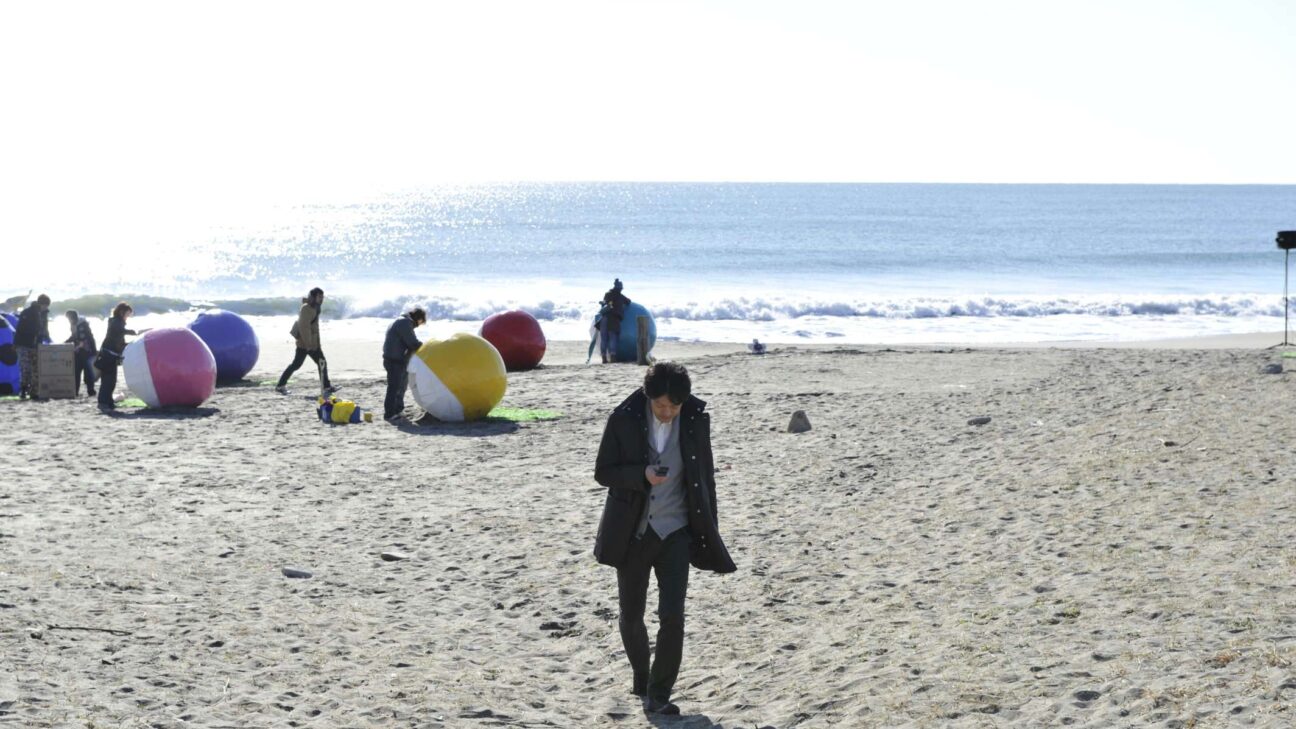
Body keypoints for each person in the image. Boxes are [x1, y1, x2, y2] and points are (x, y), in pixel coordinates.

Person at [593, 362, 736, 715]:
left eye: (675, 405)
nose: (668, 412)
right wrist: (641, 474)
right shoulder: (622, 419)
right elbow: (603, 472)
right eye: (661, 405)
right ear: (648, 397)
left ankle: (659, 693)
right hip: (633, 533)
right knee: (631, 614)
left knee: (673, 616)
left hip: (677, 533)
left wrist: (709, 528)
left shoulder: (695, 419)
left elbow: (705, 476)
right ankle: (642, 676)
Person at [276, 287, 335, 396]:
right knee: (297, 365)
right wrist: (309, 345)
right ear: (313, 297)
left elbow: (314, 328)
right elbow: (304, 328)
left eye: (322, 297)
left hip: (313, 343)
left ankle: (326, 387)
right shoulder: (306, 308)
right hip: (306, 344)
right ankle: (280, 385)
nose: (321, 299)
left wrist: (317, 343)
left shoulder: (316, 307)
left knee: (320, 362)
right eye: (319, 297)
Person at [381, 307, 426, 421]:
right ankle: (389, 414)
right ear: (418, 318)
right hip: (394, 360)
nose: (419, 325)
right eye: (421, 322)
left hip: (397, 359)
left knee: (401, 386)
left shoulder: (402, 321)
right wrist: (426, 347)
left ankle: (398, 410)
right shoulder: (405, 323)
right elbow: (413, 343)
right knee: (394, 387)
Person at [96, 302, 137, 410]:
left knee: (110, 380)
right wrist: (133, 332)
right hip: (108, 354)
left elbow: (120, 340)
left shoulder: (115, 321)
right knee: (108, 380)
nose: (127, 317)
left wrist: (129, 344)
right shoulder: (116, 322)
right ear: (122, 312)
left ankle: (107, 401)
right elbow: (119, 331)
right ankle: (104, 402)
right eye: (127, 314)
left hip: (109, 354)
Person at [14, 294, 51, 400]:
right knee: (25, 368)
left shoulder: (44, 314)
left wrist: (47, 337)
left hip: (36, 345)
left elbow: (45, 328)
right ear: (40, 304)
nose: (46, 308)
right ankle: (23, 390)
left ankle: (34, 392)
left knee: (36, 368)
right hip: (24, 344)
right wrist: (16, 343)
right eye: (45, 305)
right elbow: (20, 329)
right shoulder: (27, 313)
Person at [64, 309, 98, 396]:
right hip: (78, 351)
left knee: (88, 372)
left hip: (86, 351)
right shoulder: (73, 324)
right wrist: (66, 342)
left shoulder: (83, 325)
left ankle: (90, 390)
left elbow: (87, 338)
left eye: (69, 318)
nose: (69, 320)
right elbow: (74, 336)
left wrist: (93, 351)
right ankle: (76, 391)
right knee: (76, 372)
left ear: (73, 317)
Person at [599, 278, 631, 363]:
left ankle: (604, 357)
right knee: (612, 337)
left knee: (604, 338)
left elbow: (604, 303)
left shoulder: (607, 294)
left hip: (604, 318)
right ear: (620, 288)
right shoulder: (621, 296)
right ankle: (612, 356)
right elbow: (628, 302)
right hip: (614, 319)